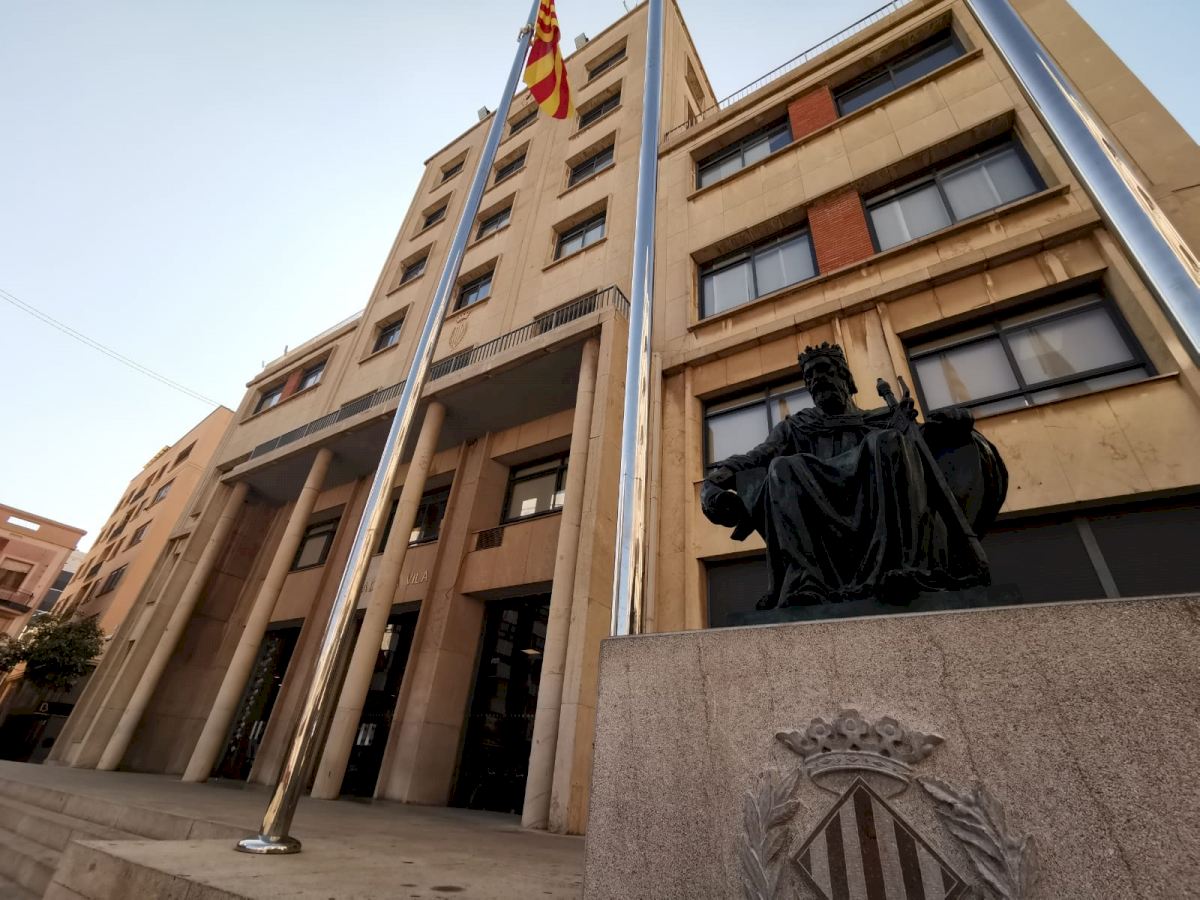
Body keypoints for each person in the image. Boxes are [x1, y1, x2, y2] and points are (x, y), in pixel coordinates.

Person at [701, 343, 1007, 608]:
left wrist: (957, 423)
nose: (817, 379)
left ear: (846, 377)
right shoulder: (796, 427)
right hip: (818, 517)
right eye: (810, 376)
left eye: (824, 369)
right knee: (781, 467)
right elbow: (754, 458)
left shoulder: (884, 422)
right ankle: (806, 581)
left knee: (888, 442)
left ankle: (903, 567)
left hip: (875, 510)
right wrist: (712, 484)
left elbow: (924, 454)